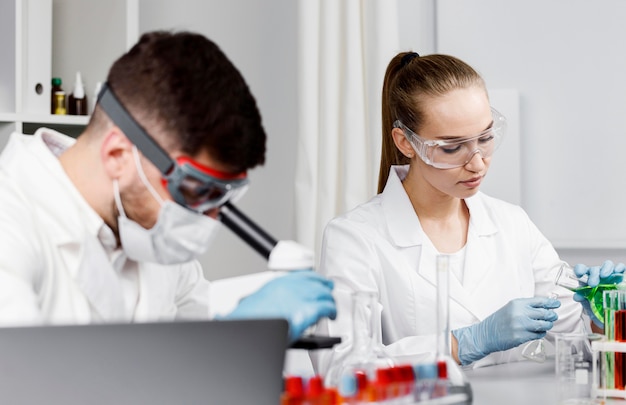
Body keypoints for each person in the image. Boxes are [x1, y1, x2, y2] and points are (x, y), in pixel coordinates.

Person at [0, 30, 336, 342]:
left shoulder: (146, 230)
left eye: (221, 197)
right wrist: (233, 343)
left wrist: (258, 321)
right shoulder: (12, 224)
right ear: (117, 154)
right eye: (196, 190)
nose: (208, 217)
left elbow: (198, 321)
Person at [312, 51, 622, 371]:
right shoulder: (355, 238)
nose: (477, 163)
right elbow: (340, 369)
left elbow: (578, 348)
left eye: (485, 138)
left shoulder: (512, 224)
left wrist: (604, 316)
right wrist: (463, 343)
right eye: (452, 147)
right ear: (405, 142)